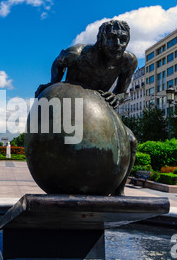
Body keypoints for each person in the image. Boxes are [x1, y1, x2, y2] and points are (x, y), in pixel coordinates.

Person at [34, 20, 138, 196]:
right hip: (71, 106)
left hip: (99, 112)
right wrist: (53, 84)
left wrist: (116, 97)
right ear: (101, 38)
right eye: (112, 38)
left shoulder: (128, 62)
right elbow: (59, 62)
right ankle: (63, 179)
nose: (117, 45)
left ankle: (119, 191)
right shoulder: (77, 54)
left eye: (123, 39)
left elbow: (122, 93)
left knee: (131, 142)